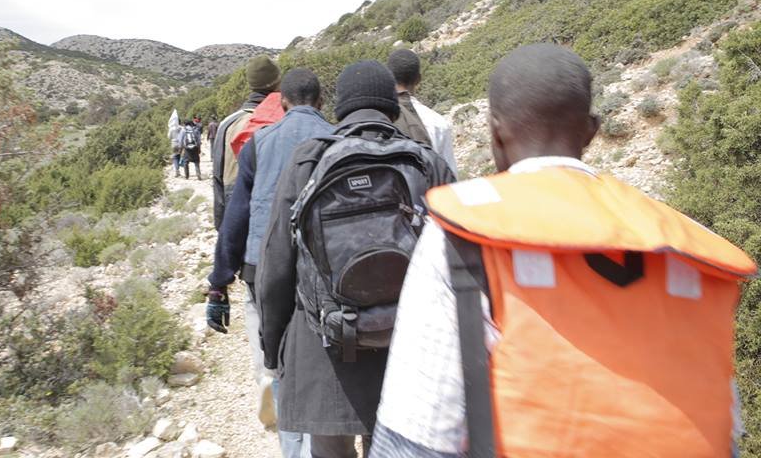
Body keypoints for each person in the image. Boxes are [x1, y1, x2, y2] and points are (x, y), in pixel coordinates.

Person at [370, 43, 756, 458]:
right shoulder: (689, 248)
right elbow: (725, 431)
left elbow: (414, 440)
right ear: (592, 130)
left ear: (495, 132)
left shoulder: (465, 232)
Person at [257, 61, 451, 458]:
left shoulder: (309, 160)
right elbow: (460, 259)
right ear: (391, 106)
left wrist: (274, 347)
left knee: (330, 449)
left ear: (340, 107)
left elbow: (277, 261)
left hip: (327, 343)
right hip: (409, 344)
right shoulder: (426, 161)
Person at [207, 68, 330, 458]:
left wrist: (219, 280)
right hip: (320, 271)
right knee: (319, 363)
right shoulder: (336, 139)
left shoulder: (258, 143)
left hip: (262, 270)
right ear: (321, 101)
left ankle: (290, 441)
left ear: (283, 102)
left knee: (275, 362)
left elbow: (236, 218)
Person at [212, 55, 281, 229]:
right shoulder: (284, 118)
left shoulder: (227, 123)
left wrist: (221, 226)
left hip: (234, 203)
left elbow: (218, 176)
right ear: (278, 82)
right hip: (274, 210)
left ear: (250, 84)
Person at [386, 48, 457, 176]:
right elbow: (450, 176)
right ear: (418, 79)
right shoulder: (437, 123)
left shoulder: (378, 118)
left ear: (388, 77)